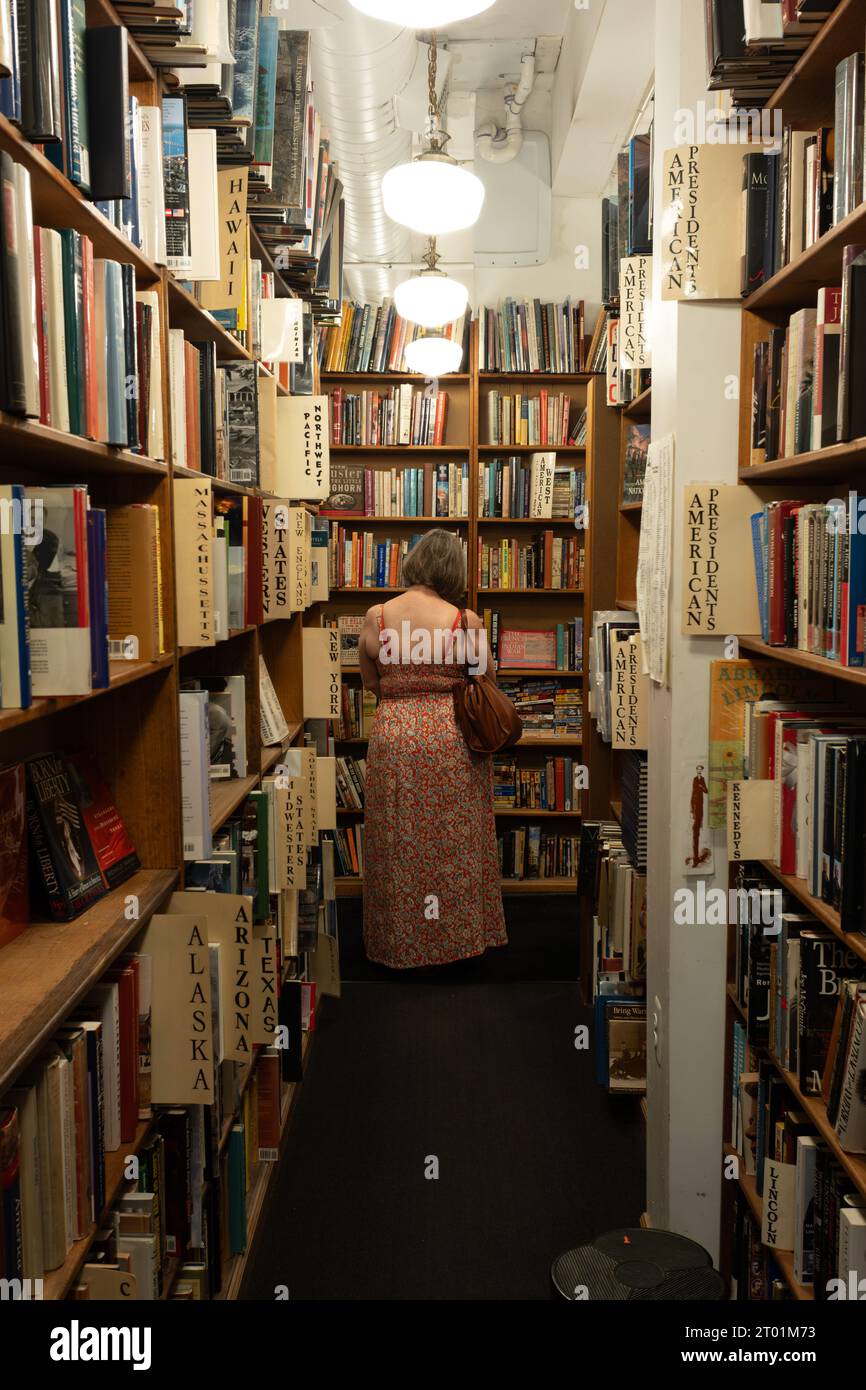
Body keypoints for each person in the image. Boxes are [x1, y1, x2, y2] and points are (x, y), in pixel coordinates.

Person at [358, 529, 507, 969]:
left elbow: (370, 683)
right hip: (449, 739)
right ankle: (453, 944)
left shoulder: (377, 615)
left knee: (396, 841)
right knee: (453, 842)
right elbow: (488, 684)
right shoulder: (466, 621)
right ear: (453, 570)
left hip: (395, 736)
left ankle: (397, 944)